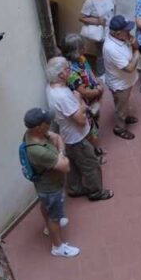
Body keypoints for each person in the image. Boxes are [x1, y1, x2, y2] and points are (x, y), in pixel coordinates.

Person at [45, 57, 113, 202]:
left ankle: (75, 189)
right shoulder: (63, 96)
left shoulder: (50, 87)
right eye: (67, 69)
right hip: (77, 137)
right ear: (61, 75)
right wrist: (79, 100)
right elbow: (81, 121)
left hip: (67, 135)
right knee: (91, 164)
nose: (71, 71)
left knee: (74, 165)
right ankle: (96, 192)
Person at [22, 107, 81, 258]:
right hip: (51, 187)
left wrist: (59, 151)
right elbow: (66, 166)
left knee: (45, 205)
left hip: (44, 185)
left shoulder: (32, 134)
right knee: (55, 217)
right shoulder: (39, 151)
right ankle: (58, 246)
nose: (50, 122)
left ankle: (48, 227)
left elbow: (57, 137)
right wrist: (62, 153)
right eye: (47, 121)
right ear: (38, 127)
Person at [59, 33, 106, 158]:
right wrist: (99, 91)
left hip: (93, 97)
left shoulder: (81, 59)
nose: (84, 48)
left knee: (95, 121)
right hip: (85, 104)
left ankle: (95, 143)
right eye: (81, 47)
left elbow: (89, 71)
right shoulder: (70, 72)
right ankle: (96, 152)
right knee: (90, 127)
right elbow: (84, 92)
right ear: (74, 51)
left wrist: (97, 83)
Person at [103, 15, 140, 140]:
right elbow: (129, 68)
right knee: (121, 107)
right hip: (120, 84)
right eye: (127, 30)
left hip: (126, 81)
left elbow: (137, 46)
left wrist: (134, 43)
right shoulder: (111, 48)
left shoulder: (123, 38)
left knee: (123, 104)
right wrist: (136, 53)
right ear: (118, 33)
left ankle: (124, 116)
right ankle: (120, 128)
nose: (129, 32)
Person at [79, 0, 115, 75]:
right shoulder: (90, 1)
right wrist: (97, 21)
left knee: (111, 51)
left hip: (112, 29)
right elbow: (82, 17)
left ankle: (111, 71)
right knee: (101, 53)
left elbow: (114, 6)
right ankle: (101, 74)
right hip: (101, 32)